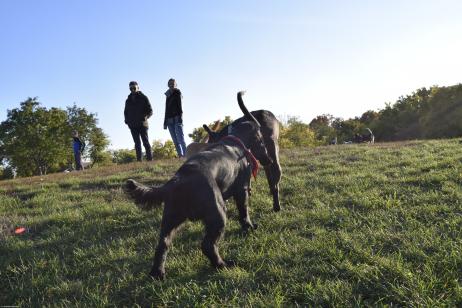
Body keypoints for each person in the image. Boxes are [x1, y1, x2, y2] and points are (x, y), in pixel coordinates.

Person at [124, 81, 153, 161]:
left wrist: (145, 118)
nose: (132, 89)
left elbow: (150, 111)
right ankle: (139, 161)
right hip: (133, 125)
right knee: (137, 144)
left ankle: (150, 159)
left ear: (138, 87)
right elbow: (125, 112)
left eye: (134, 87)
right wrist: (127, 121)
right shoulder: (128, 100)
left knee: (145, 142)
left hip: (142, 124)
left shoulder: (143, 97)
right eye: (131, 88)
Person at [164, 78, 186, 157]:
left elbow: (180, 107)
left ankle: (186, 155)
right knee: (175, 140)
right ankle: (180, 155)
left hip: (177, 118)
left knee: (181, 138)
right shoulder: (167, 95)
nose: (171, 85)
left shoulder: (178, 93)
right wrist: (165, 122)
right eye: (170, 84)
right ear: (168, 85)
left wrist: (180, 118)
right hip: (169, 120)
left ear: (176, 85)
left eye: (173, 84)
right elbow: (166, 109)